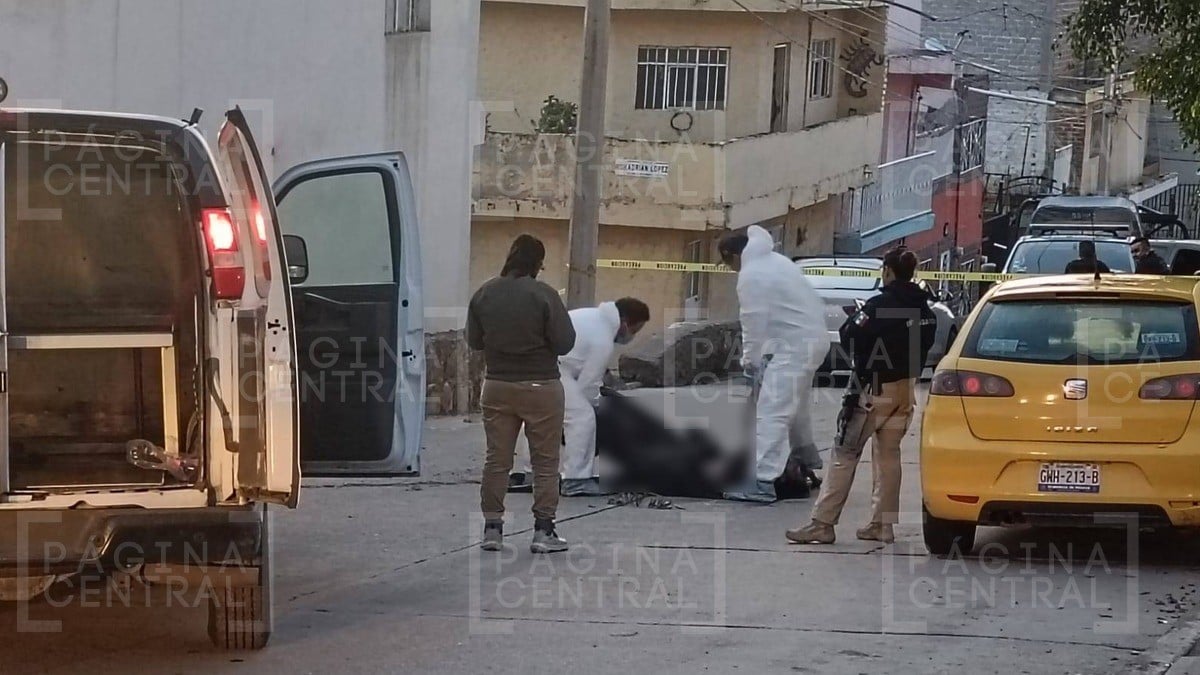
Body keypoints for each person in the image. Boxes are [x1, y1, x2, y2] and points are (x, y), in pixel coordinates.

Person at [786, 247, 936, 545]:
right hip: (906, 391)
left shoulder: (879, 306)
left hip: (873, 391)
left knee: (844, 453)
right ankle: (882, 524)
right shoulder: (925, 312)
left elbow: (849, 334)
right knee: (889, 456)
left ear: (888, 272)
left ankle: (822, 523)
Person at [467, 234, 576, 554]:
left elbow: (474, 341)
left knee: (496, 460)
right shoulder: (544, 295)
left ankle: (492, 529)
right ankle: (544, 531)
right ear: (537, 264)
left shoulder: (484, 293)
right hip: (541, 386)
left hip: (497, 385)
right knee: (545, 462)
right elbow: (565, 342)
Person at [718, 225, 830, 503]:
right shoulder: (777, 262)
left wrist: (750, 362)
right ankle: (805, 457)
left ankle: (762, 482)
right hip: (812, 340)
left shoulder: (751, 275)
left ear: (731, 254)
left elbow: (753, 322)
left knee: (772, 411)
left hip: (794, 346)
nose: (731, 270)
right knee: (794, 405)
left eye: (727, 263)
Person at [507, 298, 651, 497]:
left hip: (532, 365)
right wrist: (597, 409)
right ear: (625, 323)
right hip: (553, 368)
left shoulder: (588, 315)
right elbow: (589, 385)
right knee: (582, 418)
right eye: (635, 330)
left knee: (541, 419)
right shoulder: (603, 339)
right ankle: (576, 480)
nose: (632, 336)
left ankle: (535, 475)